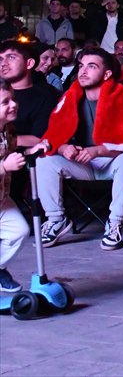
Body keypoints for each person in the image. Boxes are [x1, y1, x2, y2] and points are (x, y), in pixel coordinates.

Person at [34, 49, 123, 250]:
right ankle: (56, 220)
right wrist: (64, 147)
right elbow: (53, 135)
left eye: (91, 67)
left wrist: (99, 150)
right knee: (45, 161)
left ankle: (115, 223)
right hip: (83, 162)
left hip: (112, 161)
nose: (83, 71)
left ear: (107, 74)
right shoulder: (71, 95)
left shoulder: (120, 95)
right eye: (81, 66)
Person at [0, 79, 31, 293]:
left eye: (13, 99)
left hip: (2, 198)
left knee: (19, 230)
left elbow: (11, 154)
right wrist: (3, 167)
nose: (13, 105)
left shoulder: (8, 130)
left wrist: (31, 151)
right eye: (5, 102)